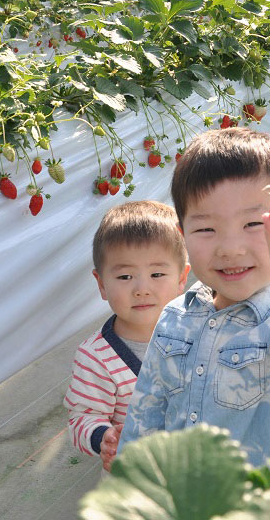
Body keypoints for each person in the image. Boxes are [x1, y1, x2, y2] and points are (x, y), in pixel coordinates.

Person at [115, 128, 270, 467]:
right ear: (182, 235)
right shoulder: (173, 318)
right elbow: (145, 417)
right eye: (206, 229)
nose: (230, 248)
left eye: (253, 224)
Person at [63, 200, 190, 472]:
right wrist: (103, 438)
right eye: (125, 277)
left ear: (182, 278)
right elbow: (83, 418)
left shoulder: (199, 329)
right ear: (101, 284)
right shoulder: (96, 357)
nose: (142, 289)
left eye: (157, 274)